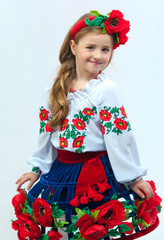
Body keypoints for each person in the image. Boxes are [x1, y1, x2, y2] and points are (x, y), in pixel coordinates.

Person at [13, 10, 161, 240]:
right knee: (64, 227)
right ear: (74, 47)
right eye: (90, 47)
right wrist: (37, 169)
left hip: (97, 174)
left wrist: (133, 177)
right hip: (61, 172)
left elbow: (119, 135)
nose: (98, 56)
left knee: (93, 228)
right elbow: (46, 131)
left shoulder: (107, 90)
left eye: (105, 50)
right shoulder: (54, 87)